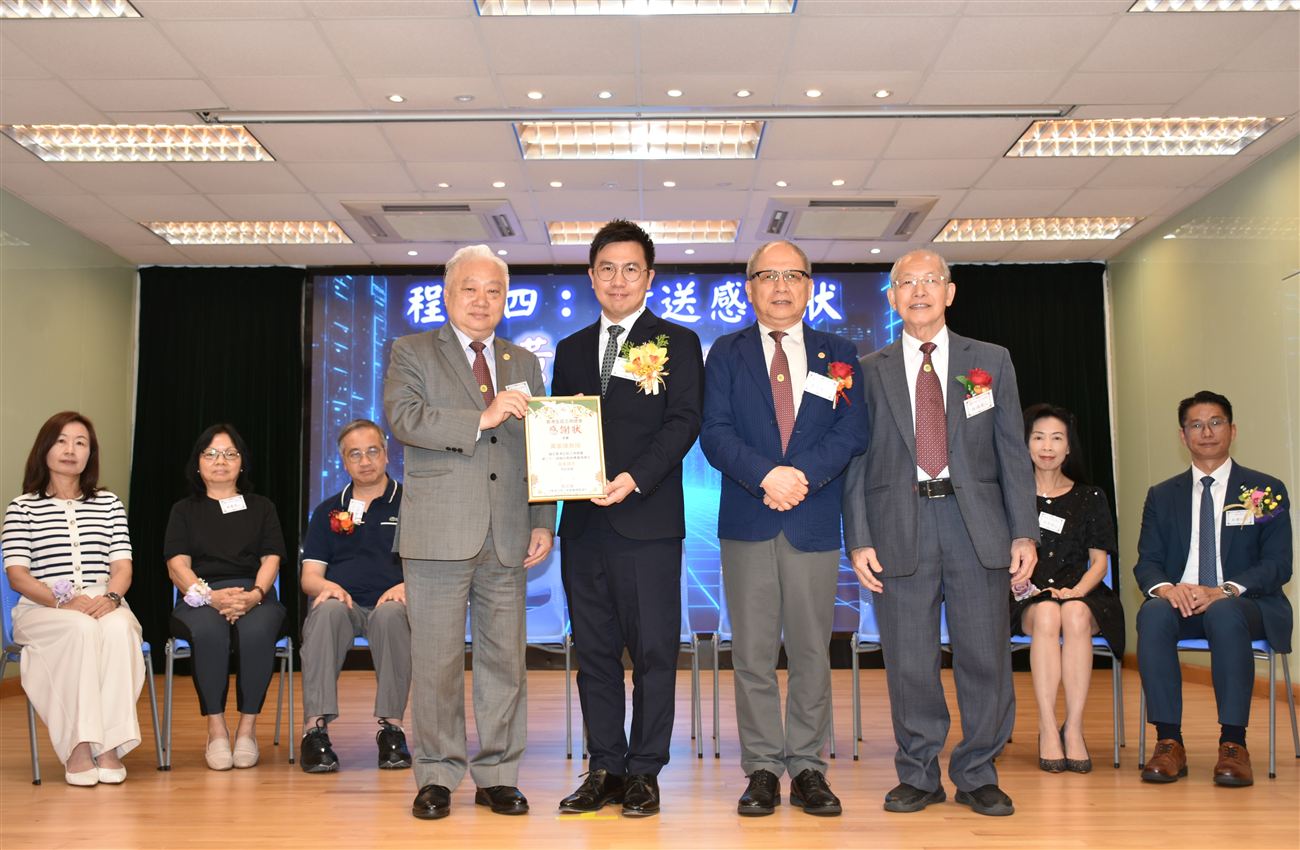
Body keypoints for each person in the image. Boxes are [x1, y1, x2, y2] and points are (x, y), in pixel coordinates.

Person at [843, 249, 1037, 818]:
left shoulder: (990, 361)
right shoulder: (867, 368)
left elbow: (1012, 451)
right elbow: (856, 462)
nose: (919, 290)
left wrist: (1023, 532)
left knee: (985, 656)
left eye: (931, 280)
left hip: (977, 525)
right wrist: (859, 538)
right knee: (909, 660)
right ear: (892, 297)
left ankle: (978, 773)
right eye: (907, 282)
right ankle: (919, 773)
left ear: (950, 293)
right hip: (897, 525)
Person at [384, 243, 556, 821]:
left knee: (504, 664)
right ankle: (436, 775)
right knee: (435, 662)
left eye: (494, 291)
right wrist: (482, 417)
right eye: (470, 289)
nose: (482, 300)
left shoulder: (523, 361)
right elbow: (405, 419)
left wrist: (543, 520)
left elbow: (541, 447)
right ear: (447, 293)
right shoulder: (411, 351)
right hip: (437, 533)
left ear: (505, 299)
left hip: (509, 535)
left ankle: (498, 776)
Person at [700, 240, 868, 818]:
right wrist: (765, 476)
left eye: (792, 275)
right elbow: (714, 432)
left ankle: (808, 766)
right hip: (748, 519)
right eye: (767, 275)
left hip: (812, 518)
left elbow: (851, 432)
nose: (780, 286)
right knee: (751, 653)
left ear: (809, 287)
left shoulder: (838, 353)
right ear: (749, 288)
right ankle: (763, 768)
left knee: (811, 651)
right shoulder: (726, 352)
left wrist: (801, 477)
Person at [550, 220, 704, 818]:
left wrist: (635, 477)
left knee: (655, 653)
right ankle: (605, 768)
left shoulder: (677, 342)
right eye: (607, 269)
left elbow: (684, 422)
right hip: (583, 526)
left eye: (631, 269)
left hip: (647, 520)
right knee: (594, 654)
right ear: (592, 277)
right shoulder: (569, 349)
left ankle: (645, 772)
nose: (619, 279)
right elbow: (558, 430)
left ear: (650, 277)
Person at [1134, 390, 1291, 787]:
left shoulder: (1263, 490)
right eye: (1196, 425)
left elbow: (1278, 564)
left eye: (1216, 422)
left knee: (1223, 611)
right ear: (1182, 436)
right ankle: (1169, 741)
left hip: (1246, 605)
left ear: (1232, 430)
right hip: (1182, 603)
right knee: (1152, 613)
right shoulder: (1162, 496)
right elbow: (1147, 561)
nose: (1207, 432)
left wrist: (1225, 590)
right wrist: (1167, 589)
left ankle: (1233, 744)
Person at [2, 411, 145, 786]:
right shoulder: (22, 507)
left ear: (90, 454)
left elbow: (123, 567)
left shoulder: (109, 504)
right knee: (80, 629)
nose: (70, 450)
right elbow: (17, 575)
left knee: (119, 630)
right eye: (61, 441)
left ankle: (110, 746)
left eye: (80, 443)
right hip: (43, 606)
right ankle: (79, 746)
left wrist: (111, 598)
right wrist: (61, 602)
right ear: (44, 449)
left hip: (103, 599)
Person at [164, 423, 287, 771]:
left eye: (230, 454)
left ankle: (247, 730)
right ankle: (216, 730)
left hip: (254, 592)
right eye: (212, 454)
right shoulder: (183, 510)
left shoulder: (262, 507)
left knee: (257, 630)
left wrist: (255, 595)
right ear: (198, 463)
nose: (221, 461)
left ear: (242, 462)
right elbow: (177, 565)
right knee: (209, 630)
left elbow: (271, 559)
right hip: (199, 595)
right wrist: (210, 597)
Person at [1013, 404, 1124, 774]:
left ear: (1068, 447)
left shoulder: (1091, 497)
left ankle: (1073, 727)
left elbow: (1100, 564)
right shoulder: (1011, 496)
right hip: (1026, 596)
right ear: (1026, 443)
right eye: (1038, 437)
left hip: (1083, 593)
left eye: (1056, 438)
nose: (1047, 446)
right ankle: (1047, 726)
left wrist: (1076, 591)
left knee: (1074, 614)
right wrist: (1024, 585)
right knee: (1047, 612)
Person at [298, 419, 411, 773]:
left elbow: (430, 567)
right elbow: (309, 577)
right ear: (344, 462)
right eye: (355, 454)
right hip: (344, 604)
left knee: (391, 615)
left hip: (392, 604)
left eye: (372, 451)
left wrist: (408, 586)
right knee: (326, 611)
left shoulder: (412, 503)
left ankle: (392, 731)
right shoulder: (328, 510)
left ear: (387, 454)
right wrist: (327, 587)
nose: (365, 461)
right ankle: (315, 731)